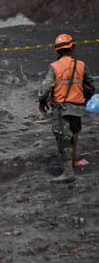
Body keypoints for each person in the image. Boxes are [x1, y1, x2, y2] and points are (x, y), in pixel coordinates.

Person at [38, 34, 95, 183]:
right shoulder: (81, 65)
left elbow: (44, 89)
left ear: (57, 51)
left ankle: (68, 172)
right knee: (74, 134)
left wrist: (42, 102)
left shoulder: (54, 67)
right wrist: (82, 100)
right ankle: (73, 162)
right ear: (72, 48)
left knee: (63, 139)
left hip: (61, 110)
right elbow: (90, 87)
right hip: (77, 108)